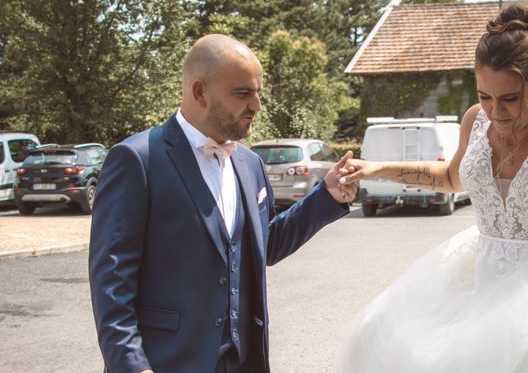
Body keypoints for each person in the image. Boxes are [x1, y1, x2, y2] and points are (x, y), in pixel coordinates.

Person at [336, 4, 528, 372]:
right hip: (480, 280)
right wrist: (378, 168)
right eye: (485, 96)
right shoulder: (474, 120)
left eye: (510, 98)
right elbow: (450, 177)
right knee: (381, 333)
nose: (496, 111)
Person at [89, 34, 358, 373]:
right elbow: (111, 283)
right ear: (200, 92)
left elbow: (266, 244)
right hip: (169, 362)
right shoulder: (137, 160)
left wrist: (326, 196)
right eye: (243, 93)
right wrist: (132, 366)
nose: (257, 105)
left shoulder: (250, 164)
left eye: (258, 92)